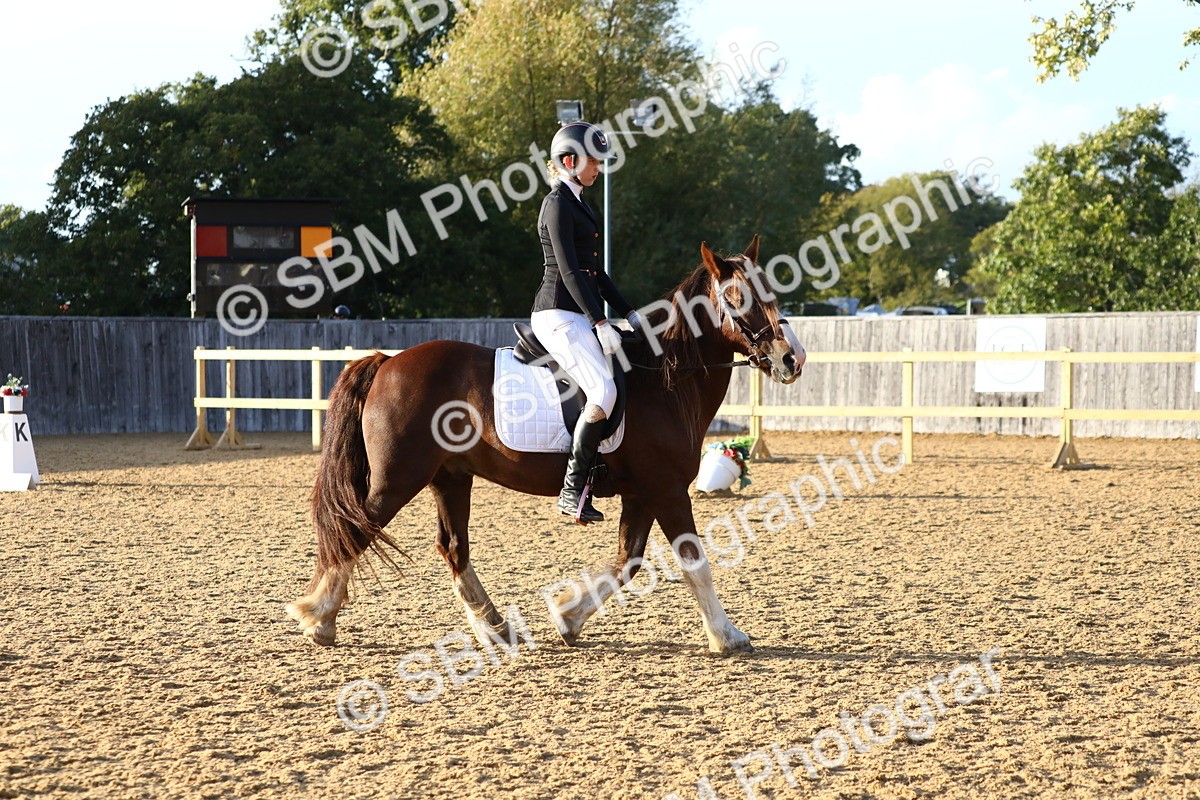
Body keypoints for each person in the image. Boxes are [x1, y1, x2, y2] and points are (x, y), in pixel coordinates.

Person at [531, 121, 643, 524]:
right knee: (603, 389)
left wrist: (630, 312)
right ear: (569, 161)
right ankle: (572, 488)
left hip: (577, 313)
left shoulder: (579, 202)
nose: (599, 167)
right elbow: (570, 273)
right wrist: (599, 320)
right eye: (593, 160)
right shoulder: (557, 203)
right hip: (557, 314)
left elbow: (596, 273)